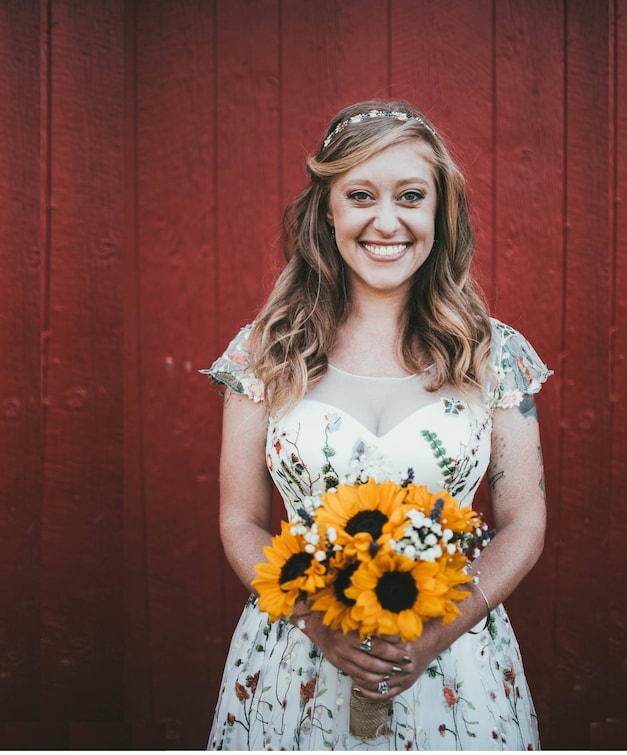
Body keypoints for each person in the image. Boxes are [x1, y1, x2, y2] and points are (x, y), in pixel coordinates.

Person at [202, 100, 552, 750]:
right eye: (360, 194)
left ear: (438, 211)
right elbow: (239, 521)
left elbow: (524, 519)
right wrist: (313, 617)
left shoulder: (493, 353)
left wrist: (442, 627)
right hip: (295, 660)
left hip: (456, 661)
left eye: (411, 196)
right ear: (327, 209)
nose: (386, 220)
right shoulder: (265, 350)